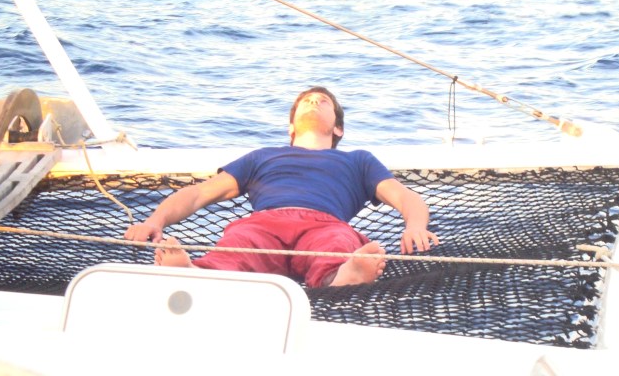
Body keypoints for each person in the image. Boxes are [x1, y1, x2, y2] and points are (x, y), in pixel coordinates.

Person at [124, 86, 439, 287]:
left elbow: (404, 196)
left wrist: (415, 226)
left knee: (335, 244)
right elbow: (198, 194)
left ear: (338, 128)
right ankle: (199, 273)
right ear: (290, 126)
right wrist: (155, 221)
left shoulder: (358, 160)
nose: (314, 102)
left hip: (325, 224)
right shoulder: (262, 157)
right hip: (265, 223)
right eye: (306, 101)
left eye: (323, 101)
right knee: (239, 244)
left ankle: (343, 276)